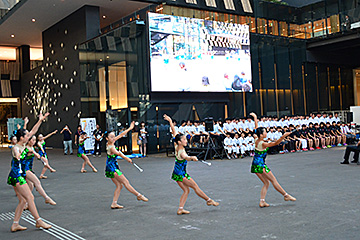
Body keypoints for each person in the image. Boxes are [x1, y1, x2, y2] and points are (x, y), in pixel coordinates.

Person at [164, 114, 219, 215]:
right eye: (184, 139)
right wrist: (192, 158)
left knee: (186, 190)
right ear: (180, 142)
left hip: (176, 173)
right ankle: (209, 200)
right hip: (181, 174)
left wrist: (170, 121)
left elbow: (173, 130)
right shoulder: (182, 152)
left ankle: (180, 208)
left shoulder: (176, 145)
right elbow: (186, 157)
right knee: (195, 187)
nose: (186, 141)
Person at [7, 113, 52, 232]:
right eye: (27, 135)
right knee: (30, 197)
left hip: (18, 174)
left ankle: (15, 224)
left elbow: (33, 130)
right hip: (17, 176)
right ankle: (38, 221)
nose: (30, 136)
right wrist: (18, 155)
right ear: (22, 138)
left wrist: (40, 121)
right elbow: (16, 154)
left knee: (23, 200)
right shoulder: (17, 147)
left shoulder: (24, 144)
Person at [250, 112, 296, 208]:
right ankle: (285, 195)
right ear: (261, 135)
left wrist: (255, 118)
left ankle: (262, 201)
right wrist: (284, 136)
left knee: (266, 183)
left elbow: (256, 129)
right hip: (261, 165)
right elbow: (275, 143)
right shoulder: (263, 143)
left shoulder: (256, 138)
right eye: (265, 132)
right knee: (273, 180)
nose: (266, 133)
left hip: (255, 165)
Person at [104, 122, 148, 209]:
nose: (113, 138)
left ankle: (114, 203)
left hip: (110, 167)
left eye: (114, 136)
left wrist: (130, 128)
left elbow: (121, 135)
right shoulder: (111, 147)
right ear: (107, 138)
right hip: (112, 168)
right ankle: (138, 195)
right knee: (125, 182)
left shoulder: (110, 143)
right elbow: (118, 153)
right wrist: (127, 158)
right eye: (111, 137)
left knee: (119, 185)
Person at [24, 135, 56, 206]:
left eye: (35, 140)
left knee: (31, 186)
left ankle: (25, 203)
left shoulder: (31, 147)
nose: (34, 142)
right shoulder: (27, 148)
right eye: (33, 140)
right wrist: (35, 153)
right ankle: (46, 198)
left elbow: (38, 156)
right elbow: (35, 154)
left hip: (29, 169)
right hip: (24, 169)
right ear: (28, 140)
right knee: (37, 182)